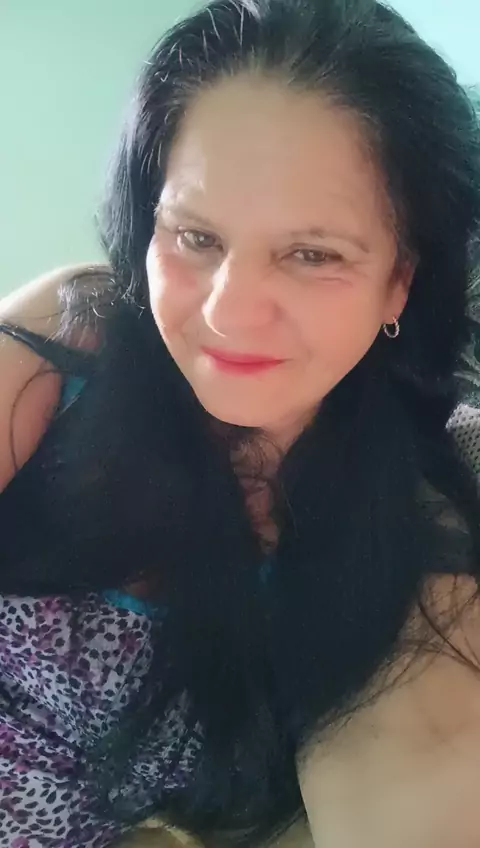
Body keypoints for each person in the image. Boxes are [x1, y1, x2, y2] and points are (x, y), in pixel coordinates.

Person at [1, 0, 480, 845]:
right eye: (195, 237)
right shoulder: (75, 338)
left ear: (401, 279)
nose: (228, 312)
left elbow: (424, 770)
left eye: (312, 254)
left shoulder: (411, 530)